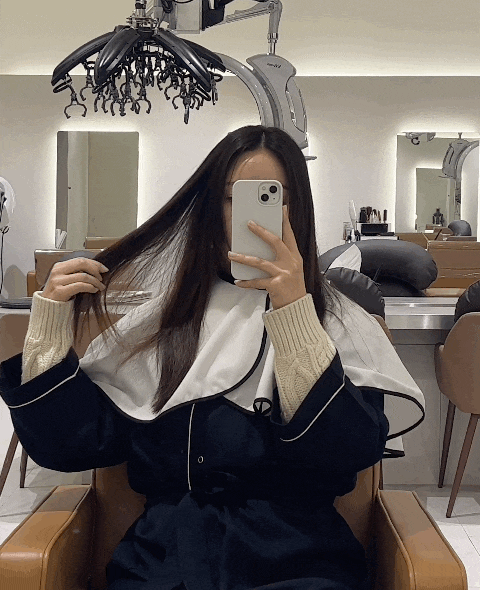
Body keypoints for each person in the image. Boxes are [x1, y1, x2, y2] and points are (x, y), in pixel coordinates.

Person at [0, 125, 425, 590]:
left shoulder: (340, 324)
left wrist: (294, 316)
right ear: (207, 208)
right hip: (164, 564)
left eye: (271, 198)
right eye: (231, 198)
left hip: (298, 562)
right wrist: (49, 323)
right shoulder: (164, 325)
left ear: (298, 209)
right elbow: (70, 447)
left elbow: (343, 455)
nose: (248, 217)